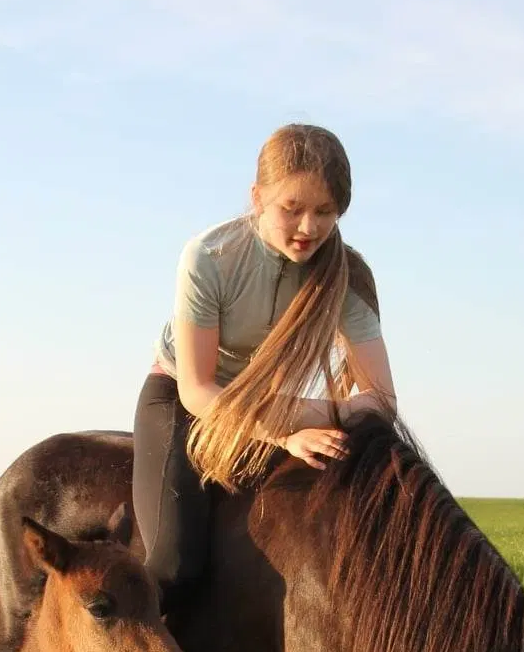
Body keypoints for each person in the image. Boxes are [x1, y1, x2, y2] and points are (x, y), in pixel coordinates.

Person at [133, 123, 398, 596]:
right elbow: (198, 388)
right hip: (186, 400)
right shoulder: (209, 257)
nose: (308, 228)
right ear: (256, 197)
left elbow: (380, 399)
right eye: (291, 209)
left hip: (269, 404)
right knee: (175, 566)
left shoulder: (347, 277)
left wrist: (296, 417)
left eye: (325, 212)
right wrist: (283, 432)